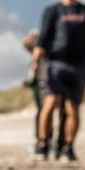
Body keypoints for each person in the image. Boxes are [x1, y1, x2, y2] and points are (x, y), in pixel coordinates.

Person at [31, 0, 85, 163]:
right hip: (55, 64)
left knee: (72, 107)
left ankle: (68, 147)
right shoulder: (53, 11)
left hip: (78, 65)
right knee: (50, 103)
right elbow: (43, 38)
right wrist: (35, 60)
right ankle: (43, 144)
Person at [23, 30, 67, 158]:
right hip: (41, 81)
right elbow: (26, 45)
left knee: (46, 111)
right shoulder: (40, 47)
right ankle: (49, 142)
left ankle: (48, 142)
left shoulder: (48, 45)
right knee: (45, 112)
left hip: (48, 80)